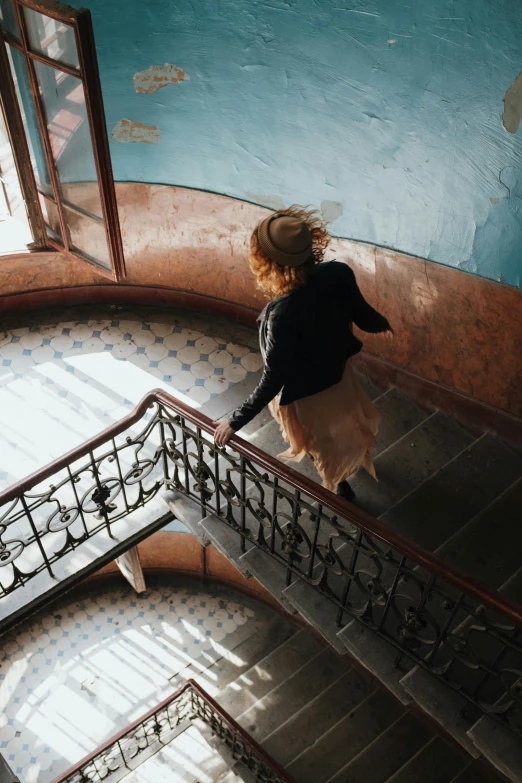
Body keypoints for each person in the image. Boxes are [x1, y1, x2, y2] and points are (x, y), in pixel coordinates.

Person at [214, 205, 393, 501]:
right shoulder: (338, 273)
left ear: (270, 264)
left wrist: (235, 420)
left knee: (316, 443)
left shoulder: (281, 314)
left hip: (303, 395)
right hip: (337, 375)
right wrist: (381, 324)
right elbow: (361, 312)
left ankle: (338, 486)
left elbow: (274, 377)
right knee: (348, 421)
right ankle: (353, 462)